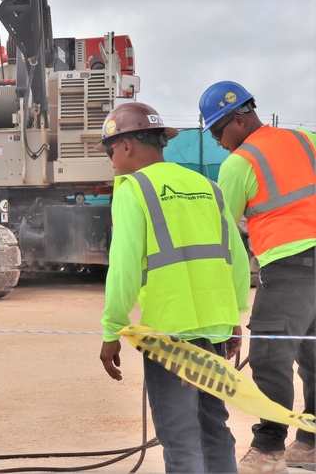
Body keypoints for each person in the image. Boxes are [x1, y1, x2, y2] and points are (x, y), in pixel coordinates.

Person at [96, 102, 250, 473]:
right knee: (215, 430)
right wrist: (232, 320)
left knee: (180, 439)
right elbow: (237, 261)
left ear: (126, 145)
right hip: (214, 331)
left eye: (109, 150)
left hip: (169, 335)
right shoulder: (207, 187)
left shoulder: (133, 188)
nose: (111, 160)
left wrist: (112, 329)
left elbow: (125, 268)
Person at [199, 81, 316, 473]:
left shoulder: (240, 163)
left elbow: (222, 236)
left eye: (217, 131)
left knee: (269, 358)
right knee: (314, 357)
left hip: (287, 268)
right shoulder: (306, 138)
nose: (217, 142)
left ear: (239, 119)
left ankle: (268, 451)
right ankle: (311, 445)